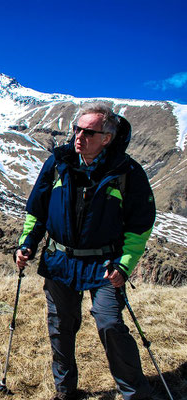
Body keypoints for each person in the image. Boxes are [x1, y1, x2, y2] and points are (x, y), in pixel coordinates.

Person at [15, 102, 156, 400]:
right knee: (61, 328)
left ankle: (135, 394)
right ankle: (65, 392)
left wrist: (125, 264)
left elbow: (140, 225)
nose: (79, 137)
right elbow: (36, 211)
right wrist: (27, 244)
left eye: (89, 132)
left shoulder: (127, 171)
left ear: (107, 137)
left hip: (105, 264)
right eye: (77, 129)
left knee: (110, 324)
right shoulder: (57, 164)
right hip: (59, 261)